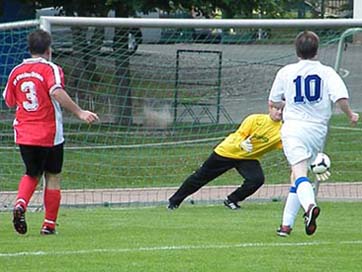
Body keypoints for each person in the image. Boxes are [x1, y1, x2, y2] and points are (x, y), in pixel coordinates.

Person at [3, 29, 99, 235]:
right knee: (53, 176)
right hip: (49, 132)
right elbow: (56, 91)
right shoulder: (51, 69)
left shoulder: (16, 71)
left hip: (24, 133)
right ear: (49, 49)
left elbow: (9, 101)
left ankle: (20, 204)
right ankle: (49, 225)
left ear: (29, 49)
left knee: (31, 173)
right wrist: (80, 112)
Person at [268, 30, 359, 237]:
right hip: (317, 130)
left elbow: (274, 101)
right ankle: (285, 226)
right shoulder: (327, 72)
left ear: (296, 50)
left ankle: (310, 206)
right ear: (317, 50)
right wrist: (350, 114)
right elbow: (340, 98)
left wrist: (287, 103)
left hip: (293, 128)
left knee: (299, 174)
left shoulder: (286, 72)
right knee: (297, 176)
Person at [168, 102, 284, 210]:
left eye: (283, 110)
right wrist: (241, 143)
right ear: (270, 108)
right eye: (277, 109)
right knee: (200, 177)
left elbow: (286, 145)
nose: (279, 112)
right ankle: (174, 202)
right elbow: (240, 134)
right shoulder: (255, 119)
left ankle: (232, 200)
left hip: (248, 158)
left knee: (256, 180)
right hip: (227, 152)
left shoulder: (284, 129)